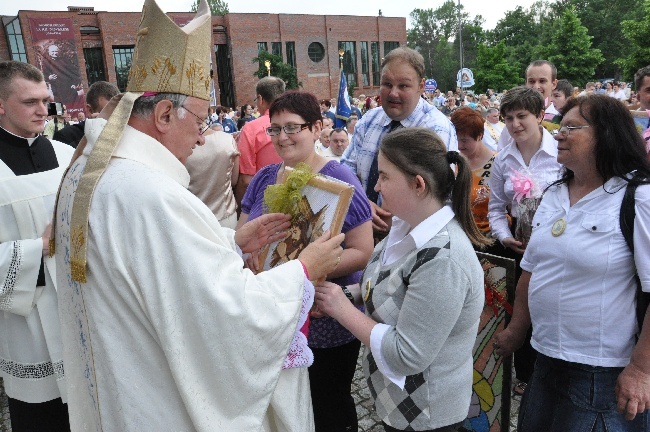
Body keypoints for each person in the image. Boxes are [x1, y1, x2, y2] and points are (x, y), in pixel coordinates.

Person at [52, 1, 345, 430]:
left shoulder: (91, 170)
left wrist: (232, 242)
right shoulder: (148, 194)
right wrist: (303, 271)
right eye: (203, 120)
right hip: (157, 393)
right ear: (166, 115)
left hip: (121, 376)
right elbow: (225, 313)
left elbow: (149, 268)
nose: (205, 135)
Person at [315, 127, 489, 431]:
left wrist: (339, 309)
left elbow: (406, 354)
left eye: (384, 177)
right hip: (401, 406)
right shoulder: (405, 226)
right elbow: (391, 286)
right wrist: (349, 295)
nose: (377, 187)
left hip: (428, 416)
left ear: (418, 184)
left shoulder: (443, 259)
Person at [494, 94, 650, 431]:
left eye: (571, 128)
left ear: (607, 135)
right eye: (559, 127)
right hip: (545, 360)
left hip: (601, 373)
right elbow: (531, 271)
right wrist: (518, 329)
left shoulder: (638, 198)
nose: (559, 134)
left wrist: (641, 370)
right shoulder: (553, 194)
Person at [238, 90, 373, 432]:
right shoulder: (265, 178)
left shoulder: (341, 180)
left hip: (324, 316)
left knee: (328, 406)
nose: (282, 138)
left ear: (316, 128)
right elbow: (243, 235)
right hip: (272, 313)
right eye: (275, 129)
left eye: (292, 128)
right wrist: (251, 259)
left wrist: (308, 272)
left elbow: (362, 250)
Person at [0, 60, 73, 431]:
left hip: (76, 306)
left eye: (45, 100)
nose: (43, 110)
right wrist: (37, 249)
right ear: (0, 104)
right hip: (26, 318)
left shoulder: (64, 155)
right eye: (30, 102)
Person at [487, 86, 562, 395]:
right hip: (521, 243)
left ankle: (554, 369)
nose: (515, 124)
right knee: (521, 308)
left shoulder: (559, 153)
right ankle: (525, 372)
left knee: (551, 304)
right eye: (508, 118)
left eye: (522, 116)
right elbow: (494, 207)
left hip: (556, 243)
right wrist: (504, 237)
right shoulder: (503, 159)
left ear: (539, 116)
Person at [341, 46, 458, 240]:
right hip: (360, 232)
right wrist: (361, 206)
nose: (393, 93)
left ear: (421, 86)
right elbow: (346, 169)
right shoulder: (369, 120)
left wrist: (384, 219)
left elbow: (432, 193)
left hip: (409, 239)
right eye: (387, 84)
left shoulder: (435, 129)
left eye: (403, 86)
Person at [451, 107, 502, 249]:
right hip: (459, 238)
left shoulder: (498, 163)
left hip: (491, 241)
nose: (459, 145)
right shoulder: (453, 162)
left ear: (480, 135)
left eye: (464, 140)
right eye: (456, 139)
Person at [234, 76, 285, 208]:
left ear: (261, 99)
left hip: (264, 203)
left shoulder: (252, 129)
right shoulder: (299, 123)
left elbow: (246, 180)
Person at [185, 127, 240, 229]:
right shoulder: (227, 140)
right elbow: (234, 180)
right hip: (225, 217)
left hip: (192, 220)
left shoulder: (178, 145)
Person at [53, 81, 119, 147]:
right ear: (90, 110)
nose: (114, 119)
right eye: (107, 113)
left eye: (119, 113)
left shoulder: (126, 132)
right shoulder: (66, 138)